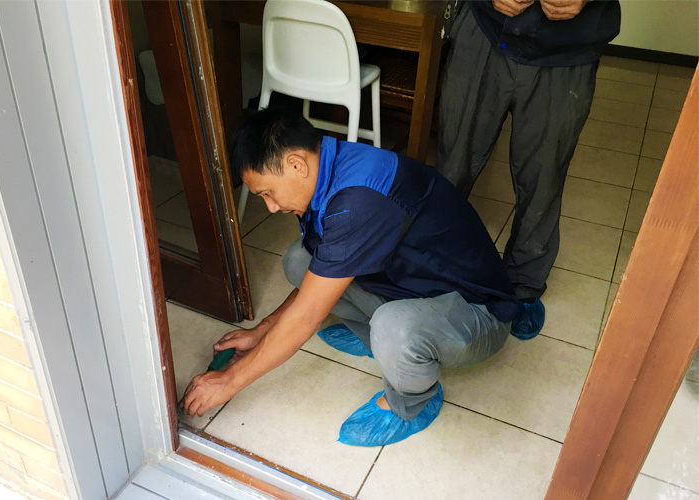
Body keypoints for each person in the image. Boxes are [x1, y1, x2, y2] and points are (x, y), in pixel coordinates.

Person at [181, 108, 518, 447]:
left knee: (392, 327)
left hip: (478, 313)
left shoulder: (358, 200)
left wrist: (229, 381)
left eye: (267, 193)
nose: (270, 207)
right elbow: (316, 279)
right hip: (415, 286)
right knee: (299, 260)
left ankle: (414, 401)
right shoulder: (330, 167)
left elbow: (307, 315)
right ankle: (377, 340)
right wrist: (261, 332)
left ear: (296, 164)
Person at [436, 0, 621, 339]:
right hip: (485, 30)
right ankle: (429, 265)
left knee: (543, 177)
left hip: (567, 51)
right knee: (452, 166)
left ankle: (524, 284)